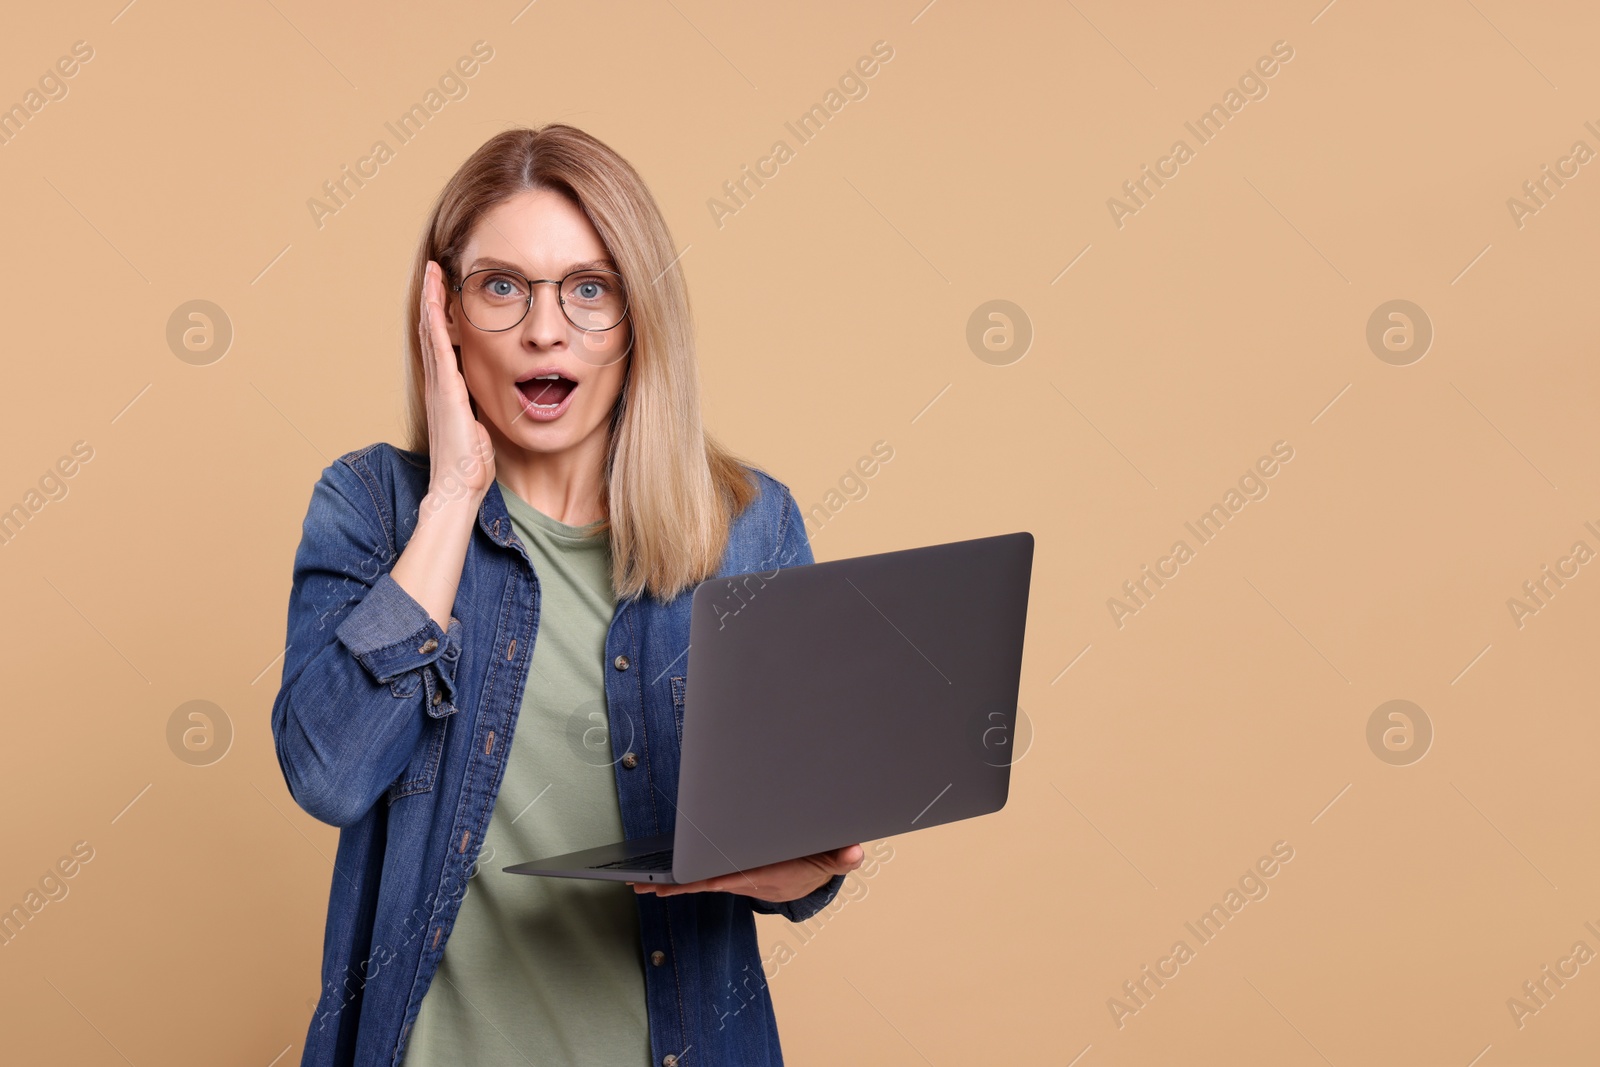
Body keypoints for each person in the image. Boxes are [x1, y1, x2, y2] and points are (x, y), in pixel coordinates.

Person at [270, 123, 864, 1067]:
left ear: (639, 320)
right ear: (446, 314)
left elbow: (799, 870)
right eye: (501, 286)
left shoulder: (746, 526)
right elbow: (329, 774)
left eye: (590, 290)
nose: (546, 329)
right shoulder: (375, 507)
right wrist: (456, 495)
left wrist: (806, 864)